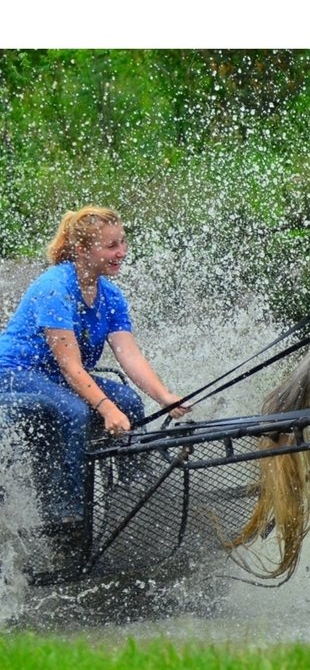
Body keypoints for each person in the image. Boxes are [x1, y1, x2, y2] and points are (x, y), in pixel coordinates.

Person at [0, 206, 190, 524]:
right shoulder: (55, 289)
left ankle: (134, 496)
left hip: (57, 376)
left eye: (123, 242)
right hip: (16, 372)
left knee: (128, 401)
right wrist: (104, 408)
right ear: (82, 250)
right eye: (111, 245)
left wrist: (164, 397)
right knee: (73, 411)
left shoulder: (110, 296)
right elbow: (72, 368)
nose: (122, 252)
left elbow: (128, 355)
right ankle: (65, 517)